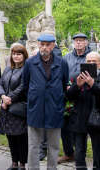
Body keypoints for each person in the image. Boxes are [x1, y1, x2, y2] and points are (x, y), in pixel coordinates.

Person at [23, 34, 69, 170]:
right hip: (35, 109)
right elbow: (26, 85)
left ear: (53, 45)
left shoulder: (62, 63)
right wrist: (35, 98)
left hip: (54, 109)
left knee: (54, 145)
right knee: (33, 145)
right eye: (42, 44)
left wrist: (56, 99)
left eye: (47, 44)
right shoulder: (30, 63)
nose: (44, 47)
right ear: (38, 44)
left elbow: (64, 83)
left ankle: (52, 168)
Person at [58, 33, 91, 164]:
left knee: (80, 127)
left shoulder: (90, 57)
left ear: (86, 43)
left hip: (83, 96)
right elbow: (62, 74)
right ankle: (68, 153)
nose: (78, 43)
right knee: (63, 125)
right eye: (76, 41)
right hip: (68, 95)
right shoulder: (66, 57)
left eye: (81, 41)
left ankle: (79, 154)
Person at [66, 51, 100, 170]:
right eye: (88, 61)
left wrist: (93, 84)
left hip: (96, 119)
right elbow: (69, 96)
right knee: (79, 149)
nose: (91, 63)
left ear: (99, 63)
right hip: (80, 117)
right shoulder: (78, 75)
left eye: (94, 61)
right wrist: (77, 86)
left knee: (97, 149)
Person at [0, 43, 28, 170]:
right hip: (6, 110)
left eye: (19, 54)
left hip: (18, 109)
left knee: (21, 137)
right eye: (14, 54)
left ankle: (22, 164)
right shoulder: (7, 69)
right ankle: (14, 162)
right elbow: (0, 84)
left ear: (24, 55)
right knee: (10, 137)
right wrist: (3, 96)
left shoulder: (26, 69)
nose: (16, 56)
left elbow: (23, 87)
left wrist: (9, 99)